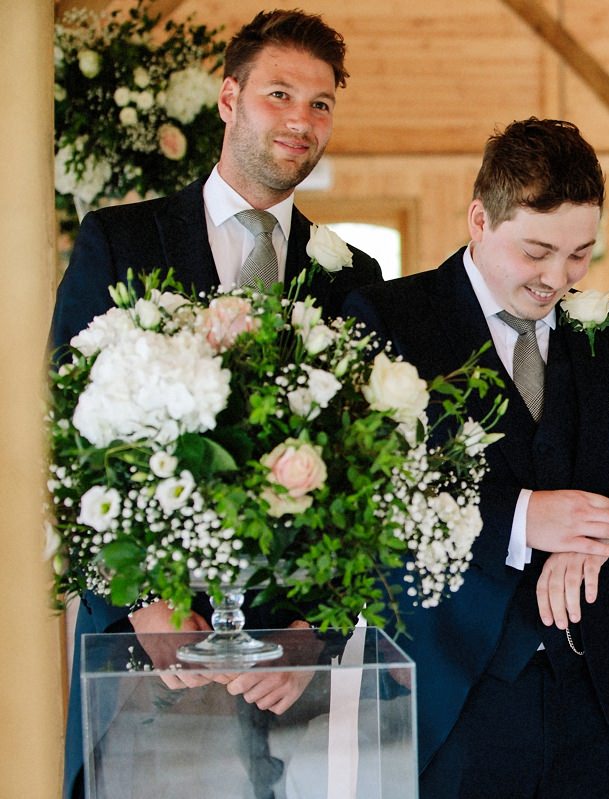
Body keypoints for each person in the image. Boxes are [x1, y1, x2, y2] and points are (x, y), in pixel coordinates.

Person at [50, 11, 383, 799]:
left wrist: (314, 632)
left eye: (322, 103)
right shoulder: (121, 242)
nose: (302, 121)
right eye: (279, 95)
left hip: (289, 675)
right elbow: (61, 436)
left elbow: (373, 470)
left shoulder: (354, 276)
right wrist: (146, 604)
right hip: (142, 663)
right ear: (229, 98)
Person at [342, 118, 609, 799]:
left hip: (596, 692)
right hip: (448, 691)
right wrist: (524, 519)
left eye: (581, 253)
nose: (558, 277)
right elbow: (365, 495)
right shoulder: (388, 319)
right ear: (479, 218)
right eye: (537, 250)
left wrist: (594, 540)